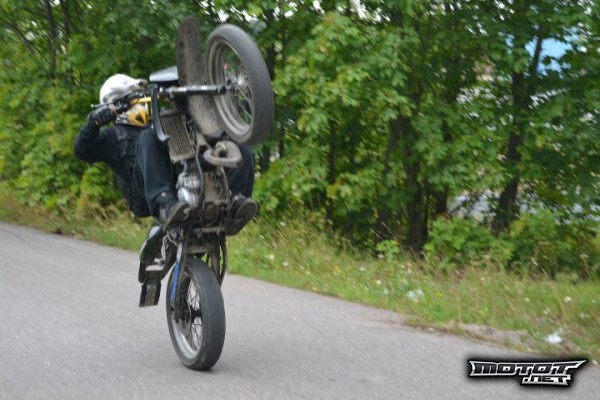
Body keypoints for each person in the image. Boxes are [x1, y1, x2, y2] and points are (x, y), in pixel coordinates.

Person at [74, 74, 257, 233]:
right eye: (133, 96)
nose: (139, 100)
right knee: (147, 137)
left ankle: (234, 202)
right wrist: (93, 123)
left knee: (240, 149)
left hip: (175, 180)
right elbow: (82, 149)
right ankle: (165, 204)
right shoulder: (112, 137)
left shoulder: (155, 124)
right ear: (116, 101)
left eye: (139, 94)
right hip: (143, 195)